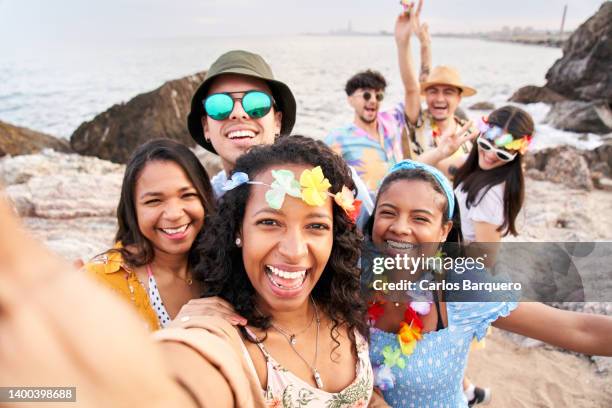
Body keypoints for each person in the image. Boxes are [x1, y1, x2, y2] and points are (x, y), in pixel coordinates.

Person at [0, 135, 390, 407]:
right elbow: (176, 386)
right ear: (237, 231)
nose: (293, 250)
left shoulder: (340, 301)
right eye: (270, 222)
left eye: (315, 226)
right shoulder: (217, 330)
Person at [362, 160, 612, 407]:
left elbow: (578, 329)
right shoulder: (353, 278)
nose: (400, 227)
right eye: (388, 212)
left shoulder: (460, 287)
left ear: (444, 231)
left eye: (420, 219)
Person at [187, 49, 373, 227]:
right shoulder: (202, 204)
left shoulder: (336, 183)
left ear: (277, 121)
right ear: (206, 127)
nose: (238, 113)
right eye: (219, 106)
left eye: (256, 103)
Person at [83, 139, 216, 330]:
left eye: (187, 195)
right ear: (132, 210)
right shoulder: (99, 283)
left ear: (205, 198)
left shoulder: (224, 266)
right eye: (154, 201)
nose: (174, 214)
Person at [324, 5, 432, 197]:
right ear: (350, 100)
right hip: (364, 216)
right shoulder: (338, 138)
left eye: (378, 95)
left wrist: (407, 43)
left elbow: (415, 89)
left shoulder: (392, 121)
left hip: (398, 204)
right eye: (366, 95)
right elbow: (324, 181)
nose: (373, 100)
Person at [396, 0, 478, 177]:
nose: (439, 98)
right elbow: (412, 87)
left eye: (448, 92)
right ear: (425, 95)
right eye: (433, 91)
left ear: (459, 98)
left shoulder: (469, 131)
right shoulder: (417, 121)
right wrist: (404, 43)